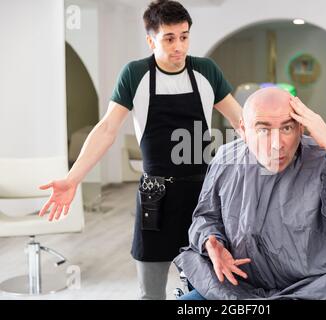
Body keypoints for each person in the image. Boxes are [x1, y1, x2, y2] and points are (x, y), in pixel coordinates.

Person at [37, 0, 242, 300]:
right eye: (169, 38)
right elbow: (107, 129)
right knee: (151, 294)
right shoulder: (135, 74)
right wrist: (72, 178)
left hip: (202, 198)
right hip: (154, 198)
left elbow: (242, 122)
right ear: (150, 40)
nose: (179, 46)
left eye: (184, 36)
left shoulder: (206, 71)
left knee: (206, 291)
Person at [173, 87, 326, 300]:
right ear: (242, 129)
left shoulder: (325, 162)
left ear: (300, 127)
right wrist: (212, 244)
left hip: (310, 290)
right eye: (263, 129)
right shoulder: (225, 159)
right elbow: (206, 217)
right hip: (236, 287)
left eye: (287, 128)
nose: (277, 145)